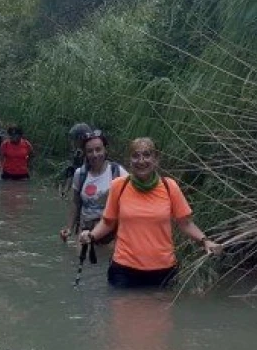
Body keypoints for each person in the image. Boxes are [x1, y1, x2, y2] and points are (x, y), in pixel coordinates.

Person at [79, 137, 222, 288]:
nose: (141, 161)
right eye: (136, 155)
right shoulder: (119, 186)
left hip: (163, 270)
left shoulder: (169, 187)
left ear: (156, 159)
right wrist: (91, 235)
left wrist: (205, 241)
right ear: (130, 160)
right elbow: (108, 222)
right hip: (124, 270)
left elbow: (185, 223)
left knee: (159, 311)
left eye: (147, 155)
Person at [59, 130, 124, 243]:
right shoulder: (80, 174)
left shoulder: (117, 172)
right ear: (85, 153)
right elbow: (75, 203)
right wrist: (69, 228)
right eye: (90, 151)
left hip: (111, 233)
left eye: (98, 149)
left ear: (105, 150)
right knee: (80, 260)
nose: (94, 155)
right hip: (85, 230)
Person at [59, 122, 93, 198]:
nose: (73, 142)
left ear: (81, 139)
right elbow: (72, 173)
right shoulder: (78, 154)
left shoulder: (93, 154)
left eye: (75, 139)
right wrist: (65, 191)